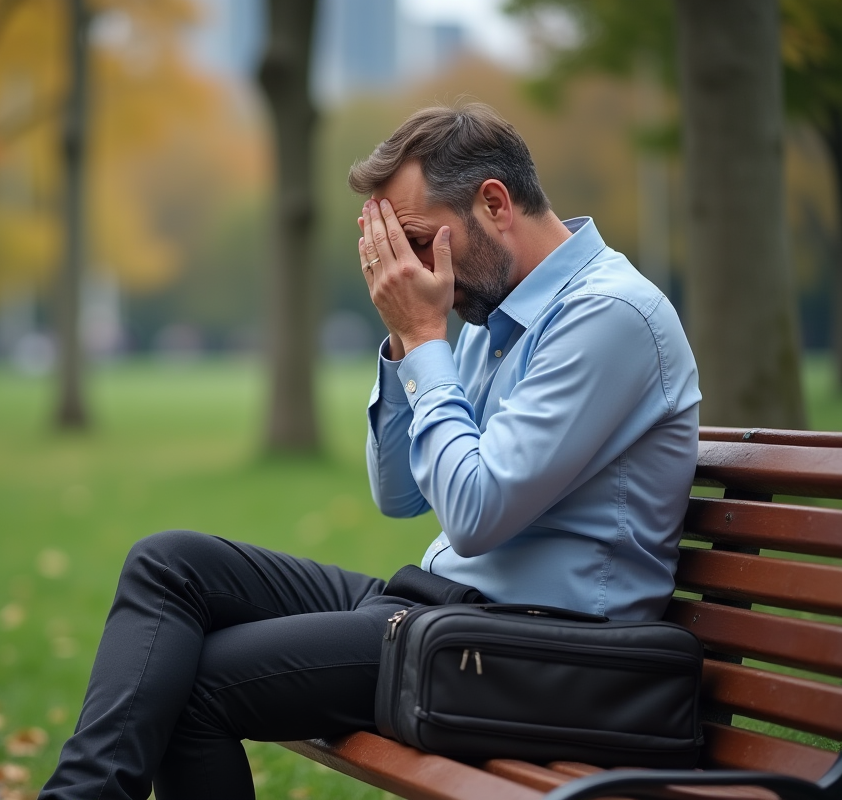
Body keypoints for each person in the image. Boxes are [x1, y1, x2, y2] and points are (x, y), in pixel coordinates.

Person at [38, 104, 700, 800]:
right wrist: (403, 345)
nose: (405, 271)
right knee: (170, 563)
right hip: (448, 614)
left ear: (494, 204)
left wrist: (423, 339)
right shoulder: (487, 308)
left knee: (189, 687)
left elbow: (474, 514)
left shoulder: (608, 316)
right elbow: (401, 494)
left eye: (413, 241)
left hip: (543, 655)